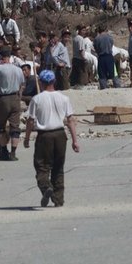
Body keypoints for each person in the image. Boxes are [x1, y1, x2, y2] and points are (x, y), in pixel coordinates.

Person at [23, 70, 80, 207]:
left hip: (44, 136)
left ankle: (46, 187)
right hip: (60, 135)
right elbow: (70, 120)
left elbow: (31, 121)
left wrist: (27, 137)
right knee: (58, 167)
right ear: (54, 81)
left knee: (41, 166)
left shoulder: (36, 99)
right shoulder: (64, 98)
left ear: (41, 83)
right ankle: (58, 199)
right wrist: (75, 140)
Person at [0, 48, 25, 160]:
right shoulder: (18, 69)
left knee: (0, 126)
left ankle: (3, 151)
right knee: (15, 127)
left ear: (2, 58)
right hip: (15, 98)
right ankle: (13, 153)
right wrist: (19, 95)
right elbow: (22, 83)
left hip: (3, 99)